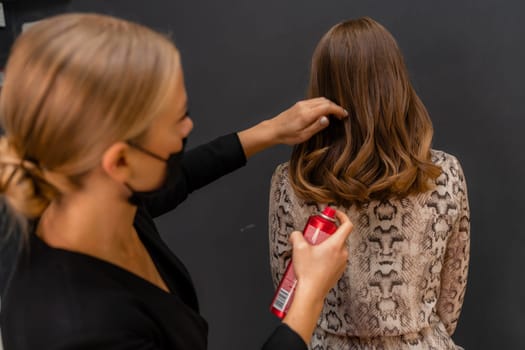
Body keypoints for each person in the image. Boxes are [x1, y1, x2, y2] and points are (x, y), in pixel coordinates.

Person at [0, 13, 354, 350]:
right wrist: (308, 294)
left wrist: (270, 132)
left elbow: (180, 175)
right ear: (120, 161)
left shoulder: (97, 199)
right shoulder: (79, 331)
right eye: (177, 120)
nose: (188, 128)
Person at [268, 17, 470, 350]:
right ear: (396, 82)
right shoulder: (445, 174)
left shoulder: (293, 182)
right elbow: (450, 304)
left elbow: (290, 299)